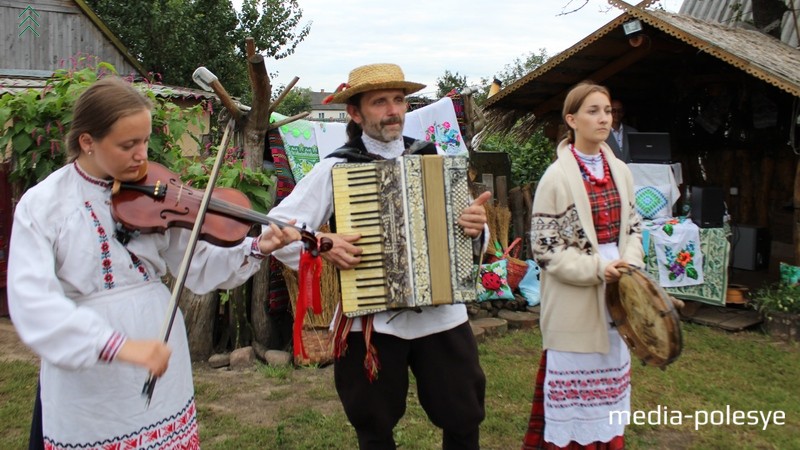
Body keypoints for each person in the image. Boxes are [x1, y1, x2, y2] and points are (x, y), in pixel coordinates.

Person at [8, 76, 303, 449]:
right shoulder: (44, 204)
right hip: (89, 364)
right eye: (128, 145)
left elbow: (196, 264)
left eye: (145, 141)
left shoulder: (156, 191)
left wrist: (257, 247)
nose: (142, 156)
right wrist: (118, 346)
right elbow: (34, 301)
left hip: (159, 344)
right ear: (87, 142)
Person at [268, 63, 491, 450]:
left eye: (399, 100)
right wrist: (323, 243)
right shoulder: (336, 166)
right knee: (372, 425)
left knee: (464, 416)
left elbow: (470, 234)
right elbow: (275, 228)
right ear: (355, 113)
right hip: (370, 323)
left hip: (442, 316)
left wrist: (477, 227)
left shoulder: (434, 158)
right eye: (380, 102)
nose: (393, 110)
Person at [522, 81, 644, 449]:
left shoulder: (621, 171)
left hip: (619, 288)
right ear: (571, 119)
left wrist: (629, 265)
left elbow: (635, 228)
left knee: (609, 392)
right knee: (575, 395)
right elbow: (545, 248)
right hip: (575, 297)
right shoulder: (556, 177)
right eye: (593, 111)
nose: (603, 118)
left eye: (607, 111)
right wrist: (596, 270)